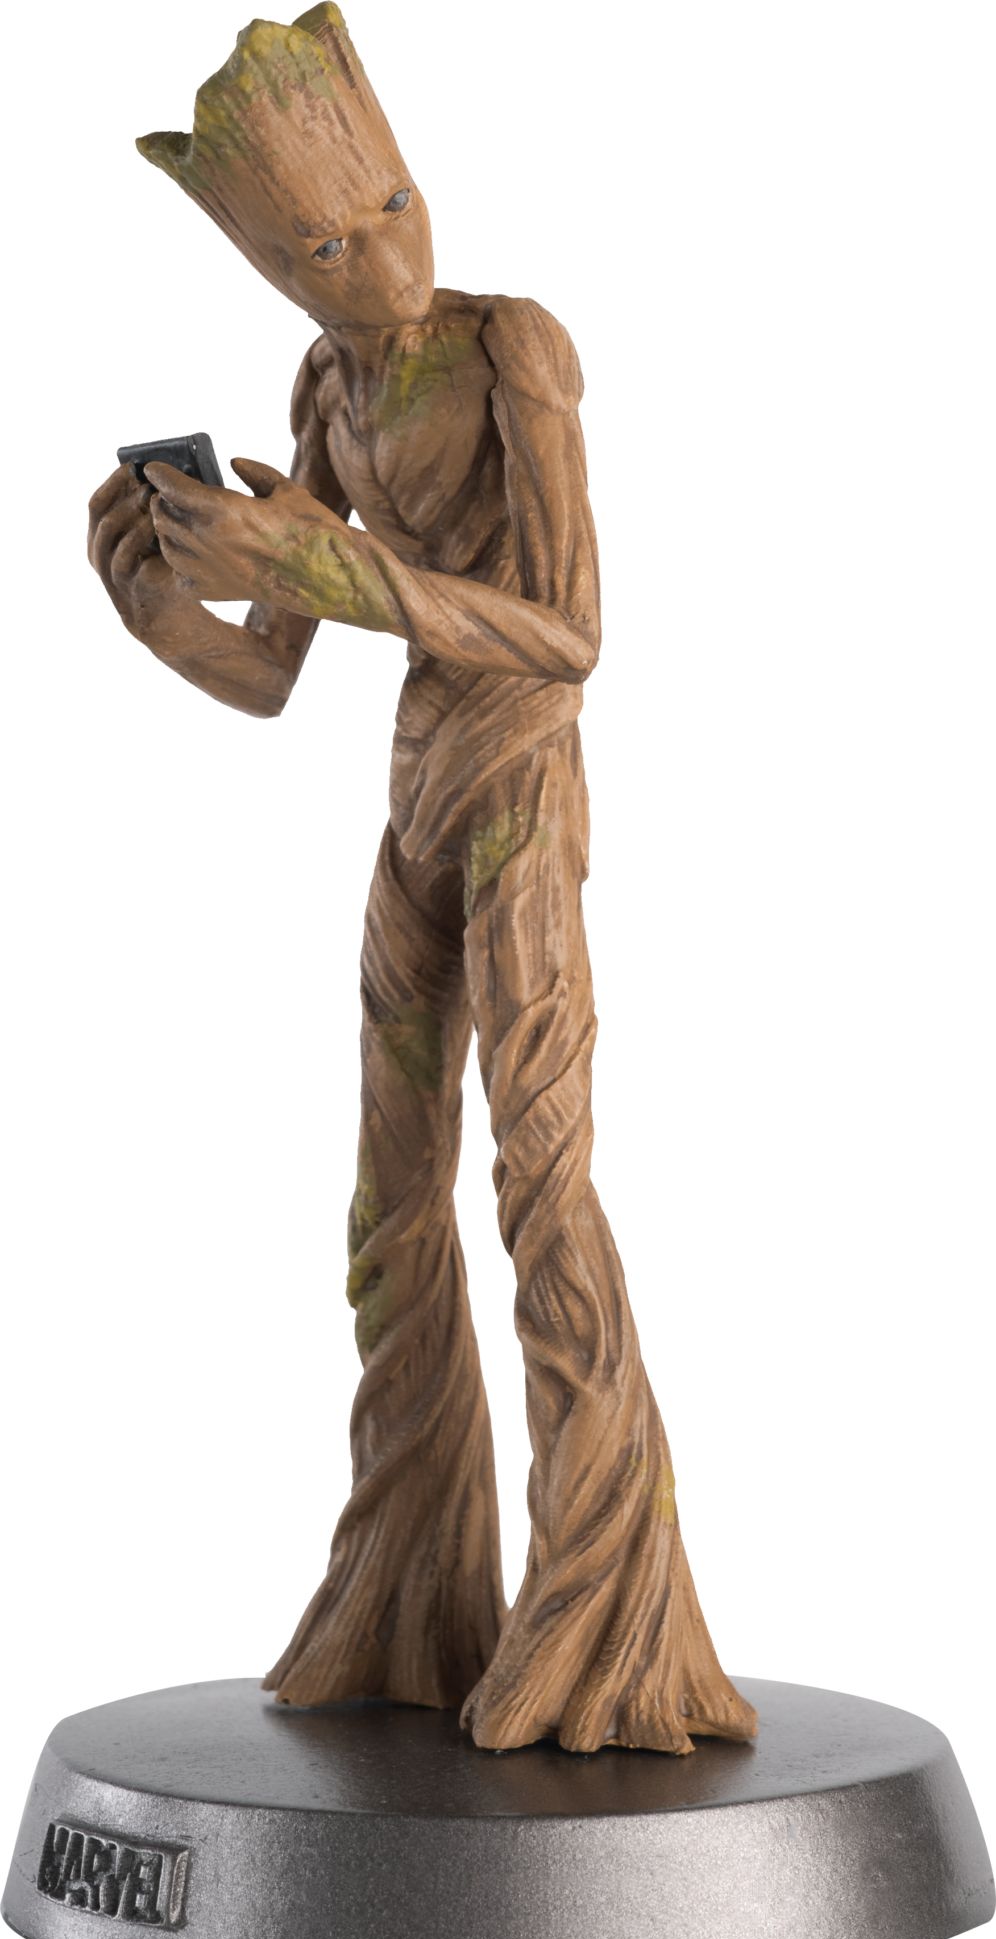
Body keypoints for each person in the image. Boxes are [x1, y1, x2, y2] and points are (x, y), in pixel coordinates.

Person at [86, 4, 757, 1755]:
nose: (381, 254)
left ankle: (608, 1614)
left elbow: (573, 634)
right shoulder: (325, 389)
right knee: (388, 1216)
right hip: (412, 806)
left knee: (541, 1179)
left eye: (390, 201)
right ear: (276, 278)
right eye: (324, 248)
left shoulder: (512, 344)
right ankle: (408, 1589)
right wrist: (161, 605)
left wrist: (339, 569)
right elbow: (269, 674)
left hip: (520, 785)